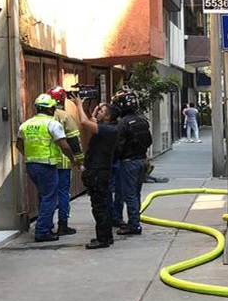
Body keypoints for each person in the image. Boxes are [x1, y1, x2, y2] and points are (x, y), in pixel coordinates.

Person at [17, 94, 75, 242]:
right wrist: (72, 159)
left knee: (44, 196)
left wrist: (29, 156)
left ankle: (47, 226)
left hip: (31, 165)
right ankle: (42, 231)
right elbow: (64, 145)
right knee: (50, 198)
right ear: (51, 109)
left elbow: (18, 144)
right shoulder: (52, 124)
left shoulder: (26, 124)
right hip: (47, 166)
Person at [74, 98, 119, 249]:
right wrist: (91, 108)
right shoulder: (107, 127)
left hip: (98, 172)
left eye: (102, 111)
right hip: (100, 171)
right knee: (103, 204)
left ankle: (103, 240)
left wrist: (79, 105)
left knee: (99, 206)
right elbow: (91, 120)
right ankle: (106, 236)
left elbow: (85, 123)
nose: (98, 112)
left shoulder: (109, 130)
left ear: (108, 117)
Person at [112, 89, 152, 236]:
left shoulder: (123, 123)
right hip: (141, 160)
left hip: (128, 163)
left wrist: (114, 158)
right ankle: (135, 220)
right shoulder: (142, 120)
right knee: (136, 193)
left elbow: (119, 146)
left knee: (129, 195)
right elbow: (149, 141)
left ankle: (134, 225)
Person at [46, 86, 84, 236]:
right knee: (63, 193)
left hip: (46, 162)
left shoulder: (41, 117)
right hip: (63, 162)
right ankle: (63, 224)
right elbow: (74, 140)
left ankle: (47, 225)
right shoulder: (65, 116)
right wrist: (79, 160)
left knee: (47, 195)